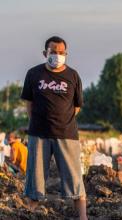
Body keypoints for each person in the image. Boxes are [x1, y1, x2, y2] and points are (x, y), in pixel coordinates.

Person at [21, 36, 87, 219]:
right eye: (53, 52)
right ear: (45, 53)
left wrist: (62, 120)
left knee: (74, 180)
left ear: (66, 54)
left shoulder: (73, 76)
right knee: (35, 181)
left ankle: (83, 217)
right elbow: (29, 103)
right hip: (38, 134)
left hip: (67, 135)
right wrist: (37, 121)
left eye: (61, 53)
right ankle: (28, 213)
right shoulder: (34, 74)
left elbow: (77, 106)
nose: (57, 56)